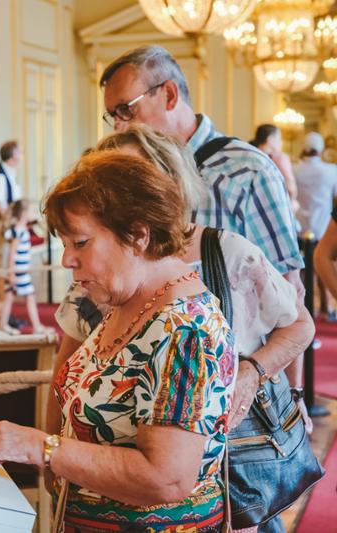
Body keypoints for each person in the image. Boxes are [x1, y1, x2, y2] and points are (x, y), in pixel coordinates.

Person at [50, 126, 314, 533]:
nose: (68, 259)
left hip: (231, 466)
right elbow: (69, 369)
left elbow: (298, 323)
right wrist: (52, 459)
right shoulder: (119, 286)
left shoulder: (205, 282)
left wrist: (254, 372)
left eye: (132, 176)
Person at [0, 151, 236, 532]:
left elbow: (167, 478)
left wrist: (42, 448)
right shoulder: (131, 300)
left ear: (137, 235)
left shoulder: (185, 328)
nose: (66, 260)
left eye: (80, 243)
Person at [99, 46, 308, 447]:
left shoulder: (247, 170)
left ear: (169, 94)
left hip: (231, 407)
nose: (119, 125)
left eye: (126, 109)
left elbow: (290, 293)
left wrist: (290, 395)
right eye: (113, 115)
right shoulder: (125, 171)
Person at [296, 132, 337, 318]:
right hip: (323, 224)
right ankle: (326, 307)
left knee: (302, 272)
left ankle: (305, 309)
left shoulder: (295, 168)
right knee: (323, 265)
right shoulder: (330, 170)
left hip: (300, 226)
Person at [0, 140, 24, 325]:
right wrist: (12, 223)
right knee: (3, 271)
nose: (22, 155)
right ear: (13, 155)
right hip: (2, 228)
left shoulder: (8, 172)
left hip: (8, 227)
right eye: (20, 152)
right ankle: (2, 315)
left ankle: (5, 313)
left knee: (7, 270)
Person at [0, 200, 47, 335]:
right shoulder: (19, 231)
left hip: (18, 271)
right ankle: (36, 326)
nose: (33, 213)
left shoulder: (20, 229)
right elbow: (12, 253)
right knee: (29, 296)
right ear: (24, 214)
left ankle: (3, 324)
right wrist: (11, 272)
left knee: (9, 297)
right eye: (31, 211)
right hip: (18, 272)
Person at [250, 124, 299, 214]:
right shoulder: (279, 158)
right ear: (270, 139)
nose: (281, 142)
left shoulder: (250, 154)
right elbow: (291, 188)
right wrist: (293, 201)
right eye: (279, 138)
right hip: (272, 208)